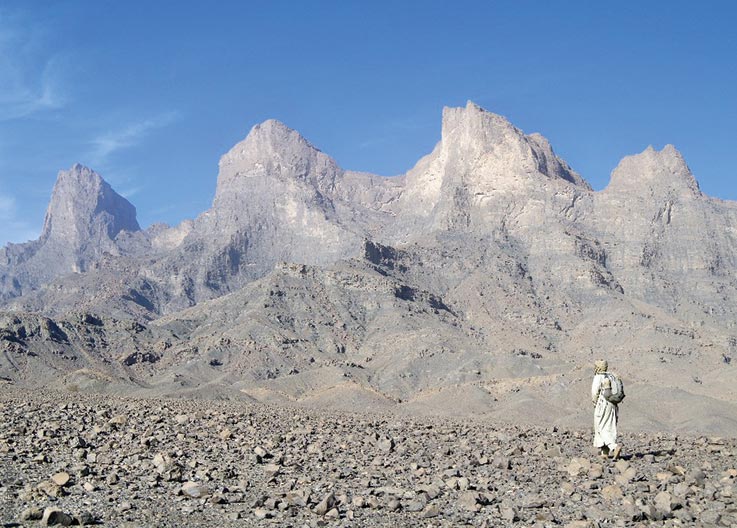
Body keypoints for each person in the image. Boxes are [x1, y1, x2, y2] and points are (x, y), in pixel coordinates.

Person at [591, 359, 621, 459]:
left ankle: (614, 446)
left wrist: (595, 404)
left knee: (601, 427)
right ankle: (605, 453)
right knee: (608, 426)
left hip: (602, 405)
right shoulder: (611, 376)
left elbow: (595, 392)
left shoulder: (598, 377)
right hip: (612, 405)